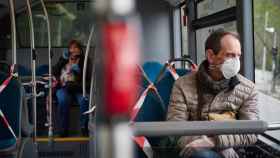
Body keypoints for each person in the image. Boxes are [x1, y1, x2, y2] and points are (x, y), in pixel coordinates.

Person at [167, 29, 259, 158]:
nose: (236, 62)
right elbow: (175, 129)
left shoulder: (248, 89)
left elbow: (251, 132)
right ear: (210, 56)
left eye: (238, 56)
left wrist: (214, 142)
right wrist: (202, 144)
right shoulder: (182, 85)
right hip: (193, 151)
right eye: (230, 55)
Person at [53, 40, 91, 137]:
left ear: (80, 50)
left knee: (84, 100)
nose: (73, 50)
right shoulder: (64, 58)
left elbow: (89, 79)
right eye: (71, 48)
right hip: (64, 87)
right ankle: (63, 130)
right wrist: (62, 59)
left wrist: (78, 71)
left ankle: (84, 128)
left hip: (78, 87)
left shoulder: (85, 60)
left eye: (75, 48)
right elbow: (55, 71)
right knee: (63, 100)